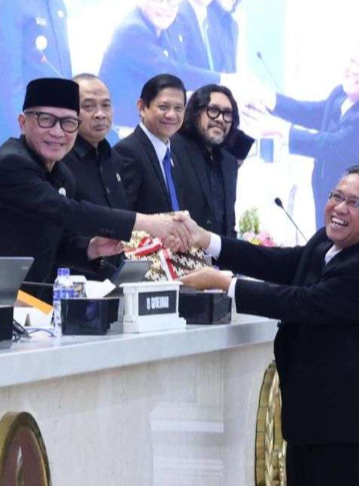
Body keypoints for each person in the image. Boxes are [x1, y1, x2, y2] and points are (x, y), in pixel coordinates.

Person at [180, 166, 359, 486]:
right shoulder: (325, 242)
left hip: (342, 432)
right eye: (337, 196)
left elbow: (304, 302)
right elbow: (279, 263)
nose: (340, 208)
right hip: (307, 423)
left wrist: (226, 284)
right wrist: (207, 241)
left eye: (354, 203)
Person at [0, 78, 194, 304]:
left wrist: (92, 248)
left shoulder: (61, 174)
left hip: (27, 305)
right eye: (46, 120)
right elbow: (66, 211)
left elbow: (55, 244)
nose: (57, 132)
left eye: (68, 123)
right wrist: (147, 223)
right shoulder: (11, 163)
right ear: (23, 123)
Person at [250, 42, 359, 230]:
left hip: (351, 201)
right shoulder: (339, 94)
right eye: (352, 61)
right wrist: (272, 100)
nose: (353, 70)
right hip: (325, 190)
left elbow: (334, 144)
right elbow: (312, 113)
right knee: (324, 240)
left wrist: (283, 131)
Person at [99, 0, 221, 128]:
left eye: (172, 1)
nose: (165, 7)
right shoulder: (133, 30)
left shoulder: (167, 28)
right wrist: (220, 79)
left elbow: (181, 70)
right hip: (122, 129)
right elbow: (168, 72)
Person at [0, 0, 73, 155]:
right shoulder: (6, 3)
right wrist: (26, 137)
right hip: (21, 139)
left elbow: (63, 75)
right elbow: (6, 84)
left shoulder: (56, 4)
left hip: (55, 134)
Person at [62, 74, 129, 278]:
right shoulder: (59, 160)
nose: (100, 114)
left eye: (106, 106)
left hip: (116, 279)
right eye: (88, 106)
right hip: (73, 280)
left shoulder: (115, 159)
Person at [115, 74, 196, 218]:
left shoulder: (172, 154)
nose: (171, 115)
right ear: (141, 107)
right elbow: (124, 216)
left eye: (178, 108)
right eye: (163, 107)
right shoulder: (128, 151)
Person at [172, 84, 240, 237]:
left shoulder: (229, 163)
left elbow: (229, 223)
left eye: (227, 114)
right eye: (214, 110)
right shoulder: (173, 148)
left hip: (220, 251)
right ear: (196, 112)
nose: (221, 119)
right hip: (180, 248)